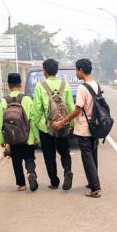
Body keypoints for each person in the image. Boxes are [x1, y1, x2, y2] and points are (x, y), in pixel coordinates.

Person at [53, 58, 101, 198]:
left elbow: (77, 110)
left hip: (85, 128)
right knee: (93, 155)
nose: (76, 73)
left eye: (76, 70)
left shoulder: (82, 88)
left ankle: (95, 188)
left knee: (87, 158)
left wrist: (62, 121)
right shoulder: (96, 85)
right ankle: (93, 182)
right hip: (95, 127)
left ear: (81, 70)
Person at [32, 58, 75, 190]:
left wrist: (35, 128)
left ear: (44, 71)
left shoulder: (40, 86)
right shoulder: (65, 85)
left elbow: (36, 111)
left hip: (46, 128)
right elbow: (70, 106)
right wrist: (70, 123)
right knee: (64, 152)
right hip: (62, 125)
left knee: (49, 156)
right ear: (56, 71)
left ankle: (54, 182)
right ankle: (67, 171)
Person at [0, 72, 38, 191]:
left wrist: (1, 139)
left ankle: (21, 184)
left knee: (16, 160)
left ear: (8, 85)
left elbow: (0, 122)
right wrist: (36, 136)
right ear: (20, 85)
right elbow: (33, 119)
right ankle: (31, 173)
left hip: (13, 137)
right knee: (29, 157)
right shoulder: (26, 99)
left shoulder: (4, 101)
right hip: (27, 136)